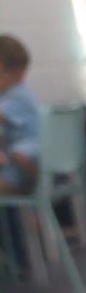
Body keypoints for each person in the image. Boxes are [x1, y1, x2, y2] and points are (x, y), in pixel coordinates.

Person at [0, 35, 40, 195]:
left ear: (17, 74)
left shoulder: (17, 95)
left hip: (25, 166)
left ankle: (40, 183)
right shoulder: (8, 93)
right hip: (17, 164)